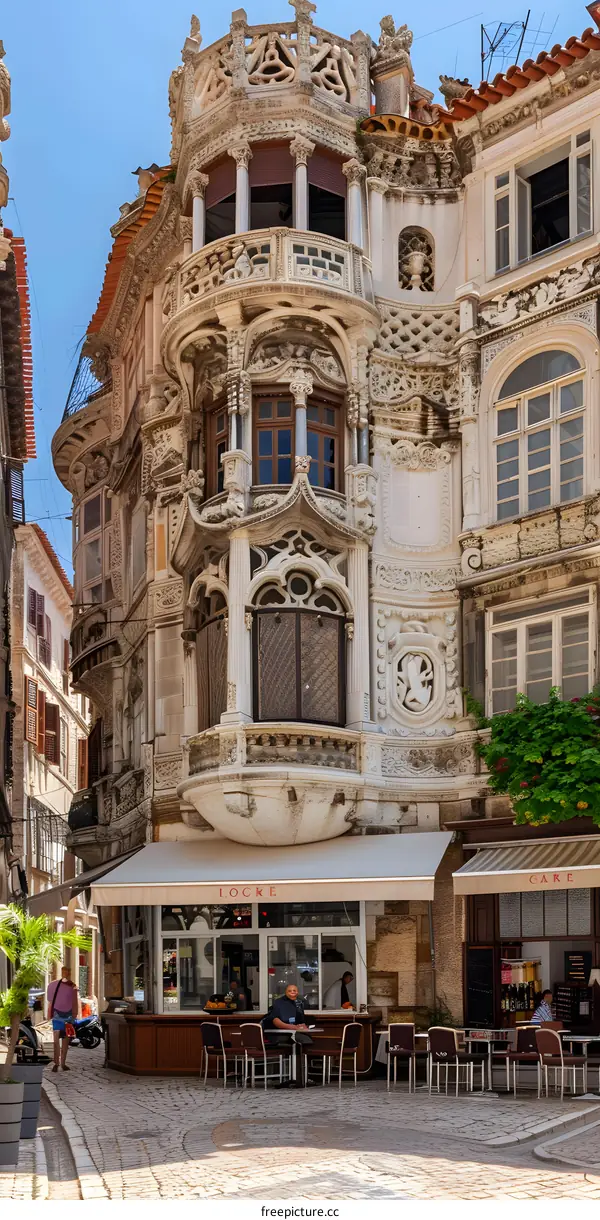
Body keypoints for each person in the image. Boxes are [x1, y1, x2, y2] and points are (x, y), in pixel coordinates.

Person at [262, 983, 314, 1086]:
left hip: (293, 1033)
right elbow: (275, 1020)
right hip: (278, 1035)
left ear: (297, 992)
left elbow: (299, 1020)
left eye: (294, 990)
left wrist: (302, 1025)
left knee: (307, 1040)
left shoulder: (299, 1003)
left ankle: (302, 1077)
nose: (292, 992)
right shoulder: (279, 1003)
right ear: (286, 992)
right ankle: (294, 1077)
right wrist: (293, 1027)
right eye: (290, 991)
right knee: (301, 1041)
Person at [47, 966, 79, 1072]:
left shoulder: (73, 986)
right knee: (56, 1040)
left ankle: (63, 1063)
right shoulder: (53, 985)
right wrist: (49, 1014)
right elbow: (50, 1001)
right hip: (57, 1015)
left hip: (69, 1016)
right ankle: (56, 1063)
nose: (66, 973)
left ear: (70, 973)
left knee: (66, 1040)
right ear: (62, 972)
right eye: (64, 971)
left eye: (68, 971)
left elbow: (75, 1002)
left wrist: (74, 1015)